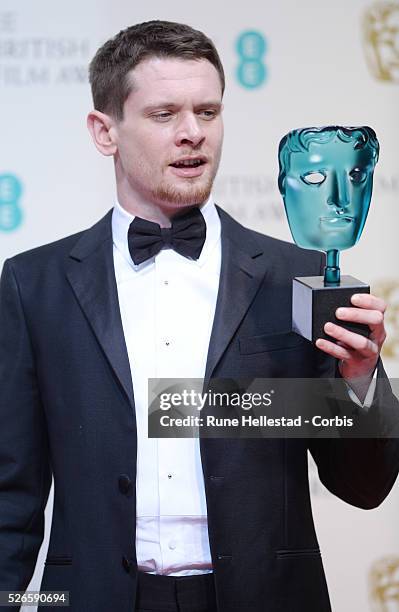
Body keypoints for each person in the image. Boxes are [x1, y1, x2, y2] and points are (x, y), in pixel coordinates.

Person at [0, 20, 398, 612]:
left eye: (207, 113)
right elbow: (12, 496)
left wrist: (360, 383)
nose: (193, 134)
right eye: (164, 115)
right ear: (104, 131)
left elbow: (363, 486)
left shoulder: (298, 275)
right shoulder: (35, 284)